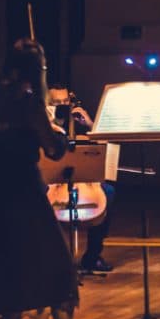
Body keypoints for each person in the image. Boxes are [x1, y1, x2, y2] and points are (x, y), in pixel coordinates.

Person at [0, 39, 80, 319]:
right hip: (27, 196)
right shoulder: (30, 102)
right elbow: (54, 151)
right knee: (61, 270)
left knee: (11, 272)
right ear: (37, 70)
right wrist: (57, 131)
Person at [46, 84, 115, 273]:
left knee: (108, 192)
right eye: (55, 102)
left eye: (64, 102)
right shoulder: (42, 124)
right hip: (51, 180)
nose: (61, 106)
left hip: (82, 179)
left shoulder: (76, 121)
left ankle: (93, 256)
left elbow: (105, 147)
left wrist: (91, 124)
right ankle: (52, 257)